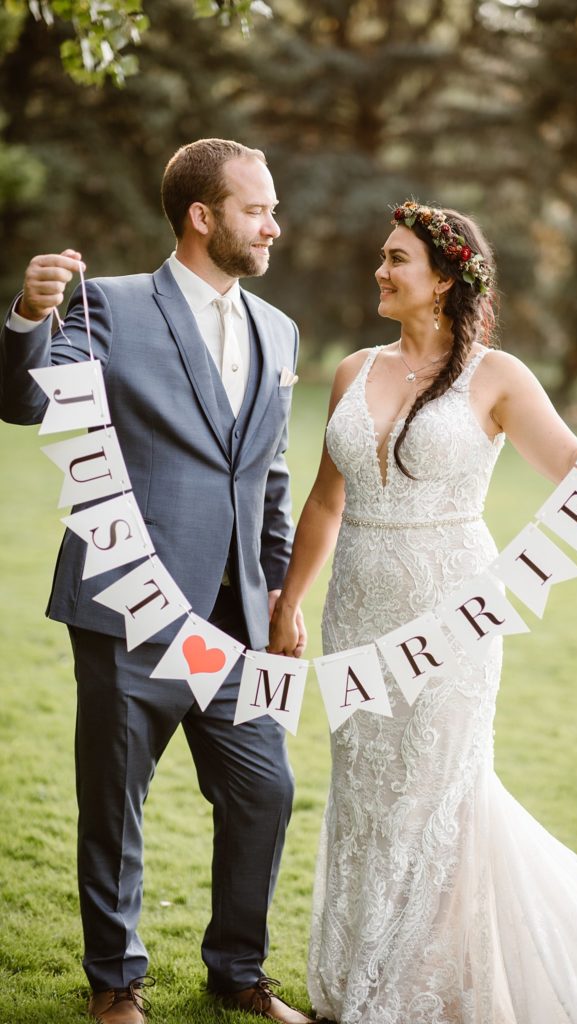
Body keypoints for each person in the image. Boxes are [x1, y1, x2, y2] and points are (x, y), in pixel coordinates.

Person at [268, 200, 577, 1023]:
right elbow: (323, 502)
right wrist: (290, 604)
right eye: (381, 257)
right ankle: (356, 986)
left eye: (397, 260)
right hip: (359, 610)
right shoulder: (352, 371)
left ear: (446, 278)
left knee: (439, 797)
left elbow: (574, 471)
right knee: (366, 799)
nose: (380, 272)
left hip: (451, 612)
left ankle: (416, 996)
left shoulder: (497, 377)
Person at [0, 140, 318, 1024]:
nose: (274, 225)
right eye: (258, 209)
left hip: (237, 619)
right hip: (125, 607)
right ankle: (116, 984)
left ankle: (237, 970)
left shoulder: (280, 332)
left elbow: (271, 479)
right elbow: (23, 403)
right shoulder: (109, 306)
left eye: (274, 208)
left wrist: (283, 597)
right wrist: (29, 313)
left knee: (266, 790)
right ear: (203, 216)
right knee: (115, 802)